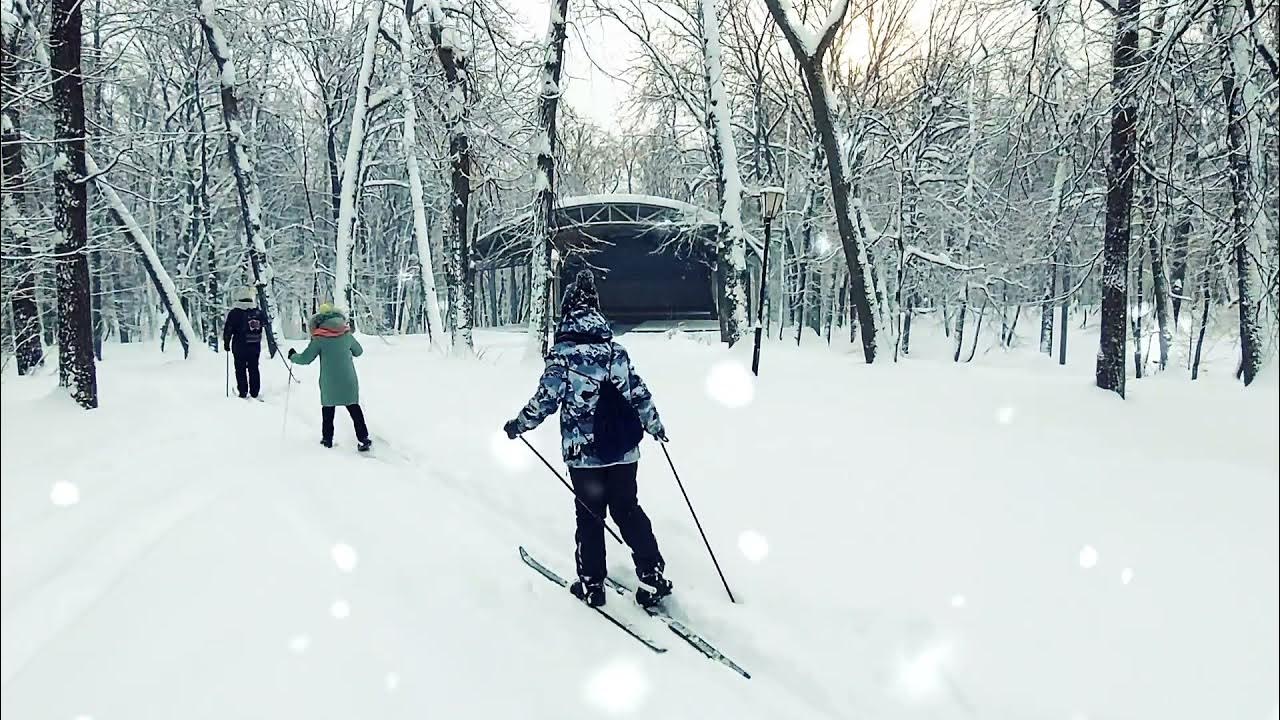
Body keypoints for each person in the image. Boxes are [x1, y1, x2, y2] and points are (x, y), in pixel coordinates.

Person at [504, 269, 671, 608]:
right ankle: (652, 575)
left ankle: (593, 584)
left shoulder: (563, 357)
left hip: (584, 457)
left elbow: (545, 401)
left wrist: (518, 425)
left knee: (590, 516)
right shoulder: (616, 353)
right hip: (624, 452)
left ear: (567, 313)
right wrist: (655, 427)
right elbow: (639, 394)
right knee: (628, 510)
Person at [287, 304, 371, 451]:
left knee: (328, 411)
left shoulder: (319, 338)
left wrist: (293, 356)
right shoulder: (346, 334)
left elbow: (306, 359)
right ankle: (363, 439)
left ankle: (327, 440)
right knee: (354, 408)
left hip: (329, 380)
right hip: (348, 379)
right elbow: (359, 352)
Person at [223, 287, 266, 399]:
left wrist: (226, 343)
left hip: (239, 346)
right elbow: (265, 323)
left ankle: (243, 391)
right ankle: (255, 391)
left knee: (240, 369)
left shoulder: (234, 313)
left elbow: (228, 329)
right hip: (255, 345)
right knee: (254, 368)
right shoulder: (257, 312)